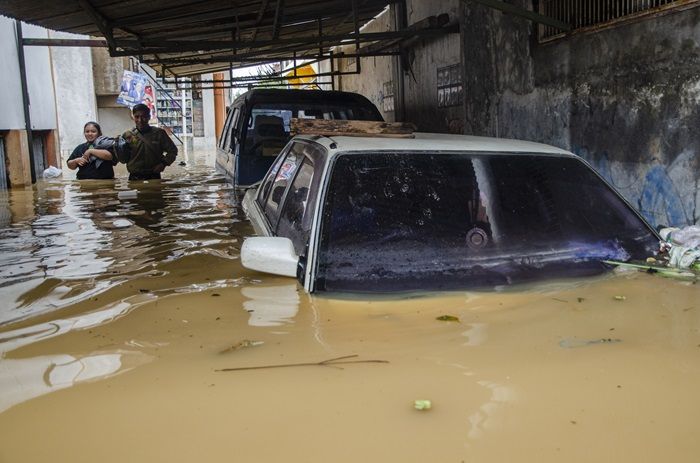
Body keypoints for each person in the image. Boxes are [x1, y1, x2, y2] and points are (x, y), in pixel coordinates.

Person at [121, 103, 178, 181]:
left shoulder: (159, 133)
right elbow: (122, 158)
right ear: (133, 117)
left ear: (149, 117)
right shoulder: (127, 135)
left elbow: (173, 151)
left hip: (154, 175)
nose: (140, 120)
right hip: (134, 177)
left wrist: (163, 164)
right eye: (137, 117)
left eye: (143, 116)